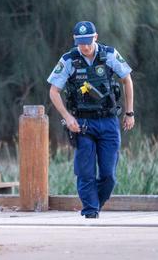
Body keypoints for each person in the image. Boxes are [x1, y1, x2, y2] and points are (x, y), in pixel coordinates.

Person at [47, 20, 135, 218]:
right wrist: (67, 117)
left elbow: (127, 80)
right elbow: (54, 91)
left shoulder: (109, 55)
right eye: (80, 43)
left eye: (88, 41)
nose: (85, 47)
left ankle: (96, 203)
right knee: (85, 172)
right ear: (75, 40)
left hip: (108, 121)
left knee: (108, 175)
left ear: (95, 37)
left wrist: (129, 112)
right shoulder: (69, 59)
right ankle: (90, 211)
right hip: (82, 123)